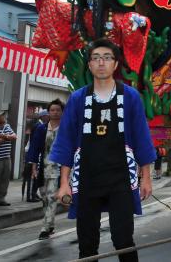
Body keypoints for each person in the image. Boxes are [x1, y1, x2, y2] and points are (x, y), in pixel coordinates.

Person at [50, 38, 156, 262]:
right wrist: (64, 183)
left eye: (107, 58)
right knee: (87, 243)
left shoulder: (130, 97)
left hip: (121, 179)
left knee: (123, 239)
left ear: (115, 64)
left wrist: (146, 177)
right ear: (89, 65)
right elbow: (66, 142)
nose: (101, 63)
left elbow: (142, 138)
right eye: (96, 58)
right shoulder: (78, 98)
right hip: (87, 178)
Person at [26, 99, 65, 239]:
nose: (55, 112)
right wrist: (34, 167)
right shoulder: (41, 128)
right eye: (52, 110)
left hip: (60, 167)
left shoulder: (67, 127)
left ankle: (45, 227)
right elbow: (35, 149)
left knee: (51, 196)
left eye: (58, 110)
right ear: (48, 112)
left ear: (62, 112)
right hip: (44, 166)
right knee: (44, 196)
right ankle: (51, 224)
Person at [0, 110, 17, 206]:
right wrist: (6, 137)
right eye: (1, 117)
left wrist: (4, 136)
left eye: (3, 117)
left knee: (5, 179)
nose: (3, 118)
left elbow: (14, 137)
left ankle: (1, 199)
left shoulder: (7, 126)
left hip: (7, 156)